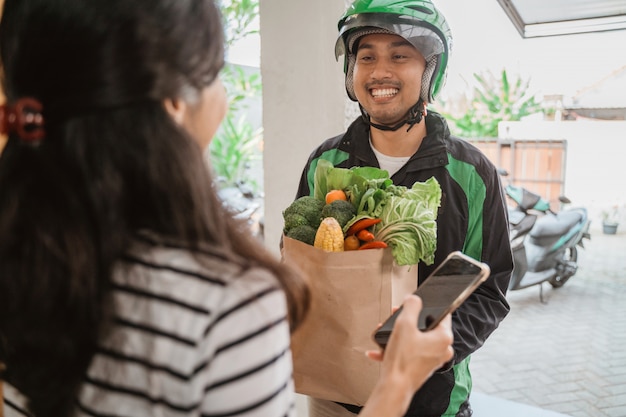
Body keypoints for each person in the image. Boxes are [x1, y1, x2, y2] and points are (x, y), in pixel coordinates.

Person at [0, 1, 455, 416]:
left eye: (400, 54)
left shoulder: (21, 261)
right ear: (176, 103)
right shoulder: (227, 305)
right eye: (215, 71)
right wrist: (398, 381)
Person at [295, 0, 514, 416]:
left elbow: (489, 291)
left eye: (400, 55)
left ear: (431, 70)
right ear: (351, 71)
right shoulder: (324, 164)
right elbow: (302, 267)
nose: (380, 72)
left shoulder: (471, 173)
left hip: (433, 400)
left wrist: (430, 352)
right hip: (334, 395)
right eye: (367, 57)